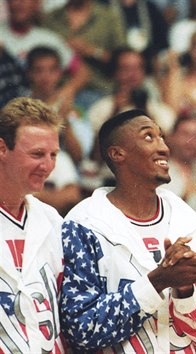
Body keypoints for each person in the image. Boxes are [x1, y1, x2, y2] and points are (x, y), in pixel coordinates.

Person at [59, 109, 196, 352]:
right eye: (149, 137)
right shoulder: (84, 224)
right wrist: (157, 282)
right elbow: (80, 330)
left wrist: (185, 292)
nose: (164, 147)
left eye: (162, 137)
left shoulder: (189, 221)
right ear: (117, 153)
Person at [0, 97, 65, 352]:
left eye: (53, 155)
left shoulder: (51, 220)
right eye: (37, 154)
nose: (47, 166)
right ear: (2, 149)